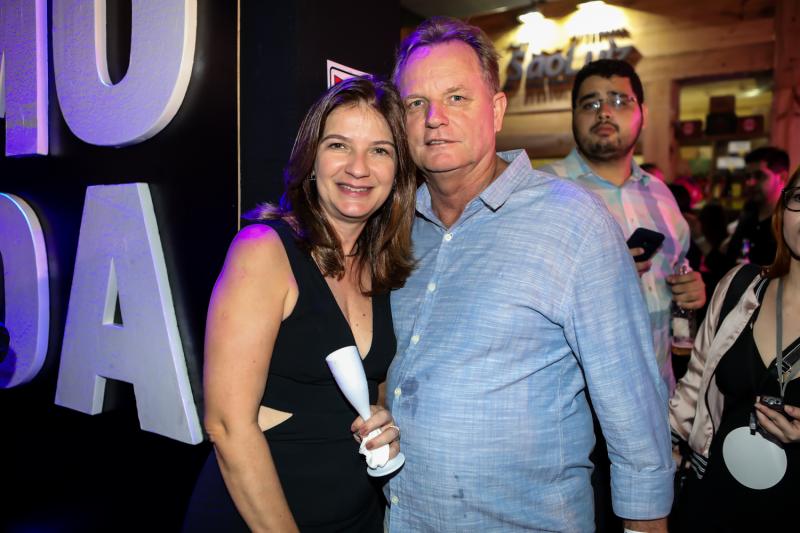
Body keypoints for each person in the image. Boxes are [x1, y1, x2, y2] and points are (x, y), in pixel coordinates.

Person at [386, 17, 673, 532]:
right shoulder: (397, 229)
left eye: (456, 97)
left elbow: (632, 409)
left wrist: (645, 526)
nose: (434, 119)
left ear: (496, 110)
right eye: (415, 103)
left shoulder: (573, 221)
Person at [182, 76, 416, 532]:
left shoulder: (382, 266)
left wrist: (380, 417)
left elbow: (360, 393)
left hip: (357, 515)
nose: (358, 167)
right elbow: (227, 426)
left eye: (380, 150)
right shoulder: (264, 251)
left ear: (398, 173)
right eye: (339, 145)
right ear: (311, 159)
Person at [540, 59, 706, 393]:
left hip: (660, 395)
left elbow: (677, 276)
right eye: (590, 104)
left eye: (618, 101)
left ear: (642, 113)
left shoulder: (662, 196)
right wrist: (599, 277)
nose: (604, 113)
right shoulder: (542, 191)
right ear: (573, 115)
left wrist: (691, 292)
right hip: (578, 404)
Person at [669, 168, 800, 532]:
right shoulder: (740, 287)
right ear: (783, 210)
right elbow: (692, 391)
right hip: (713, 497)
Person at [725, 146, 790, 266]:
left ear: (782, 177)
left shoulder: (790, 220)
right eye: (747, 176)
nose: (750, 182)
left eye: (759, 176)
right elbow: (729, 261)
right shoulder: (748, 213)